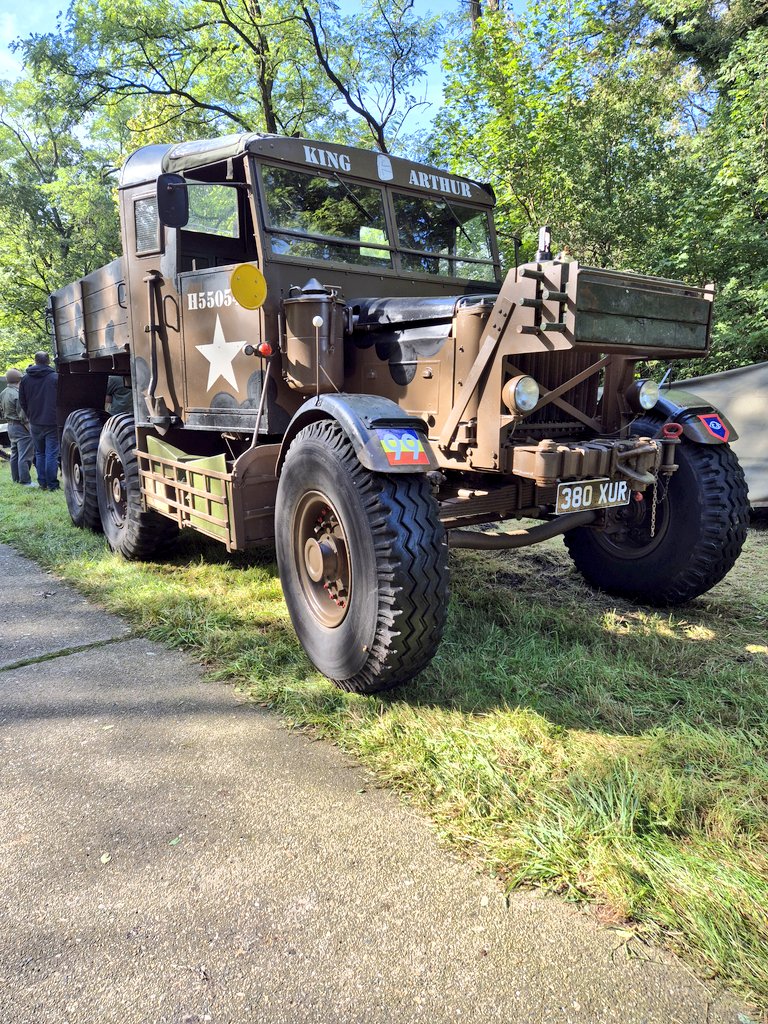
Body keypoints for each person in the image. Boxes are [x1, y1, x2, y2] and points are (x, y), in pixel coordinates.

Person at [19, 351, 60, 491]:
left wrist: (30, 415)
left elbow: (22, 401)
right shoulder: (55, 378)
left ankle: (42, 483)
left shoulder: (24, 380)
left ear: (35, 361)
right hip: (52, 420)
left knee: (40, 453)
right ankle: (53, 485)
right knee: (51, 453)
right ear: (48, 361)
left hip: (35, 421)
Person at [1, 369, 36, 486]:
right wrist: (30, 429)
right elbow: (23, 416)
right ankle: (25, 481)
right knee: (25, 455)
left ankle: (16, 479)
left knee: (15, 454)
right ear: (19, 380)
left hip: (10, 426)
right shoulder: (17, 394)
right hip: (20, 426)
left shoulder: (4, 393)